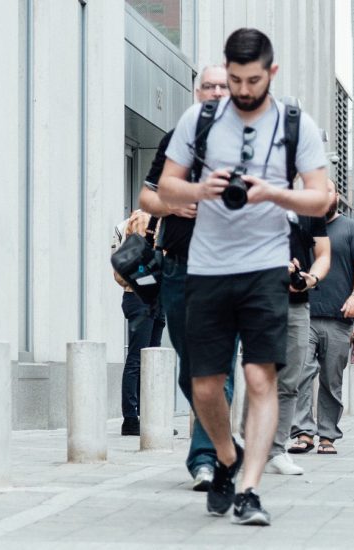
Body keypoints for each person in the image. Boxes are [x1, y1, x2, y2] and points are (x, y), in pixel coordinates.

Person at [158, 28, 331, 525]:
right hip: (208, 268)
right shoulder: (201, 118)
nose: (242, 89)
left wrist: (272, 193)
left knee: (260, 377)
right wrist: (199, 189)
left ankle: (250, 489)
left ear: (270, 73)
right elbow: (165, 184)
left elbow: (321, 198)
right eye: (234, 79)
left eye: (252, 80)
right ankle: (227, 459)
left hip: (265, 267)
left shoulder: (296, 124)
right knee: (205, 385)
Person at [139, 64, 231, 489]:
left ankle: (206, 458)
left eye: (222, 87)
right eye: (207, 86)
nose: (214, 92)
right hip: (178, 265)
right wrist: (172, 206)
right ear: (197, 93)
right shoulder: (176, 141)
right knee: (191, 368)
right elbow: (146, 196)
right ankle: (217, 439)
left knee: (219, 367)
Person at [289, 179, 354, 455]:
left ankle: (327, 435)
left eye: (326, 190)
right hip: (302, 313)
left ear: (336, 195)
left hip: (340, 317)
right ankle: (303, 432)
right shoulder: (299, 228)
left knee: (331, 379)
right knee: (300, 373)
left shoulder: (352, 229)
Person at [264, 189, 332, 476]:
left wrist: (311, 277)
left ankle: (276, 451)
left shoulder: (310, 207)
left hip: (296, 303)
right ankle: (251, 446)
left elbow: (323, 254)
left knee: (290, 379)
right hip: (257, 298)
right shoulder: (255, 194)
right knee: (259, 376)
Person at [110, 209, 165, 436]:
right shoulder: (145, 219)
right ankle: (131, 419)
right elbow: (141, 260)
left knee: (149, 361)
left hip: (147, 297)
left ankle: (146, 418)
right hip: (141, 297)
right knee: (138, 360)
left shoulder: (148, 219)